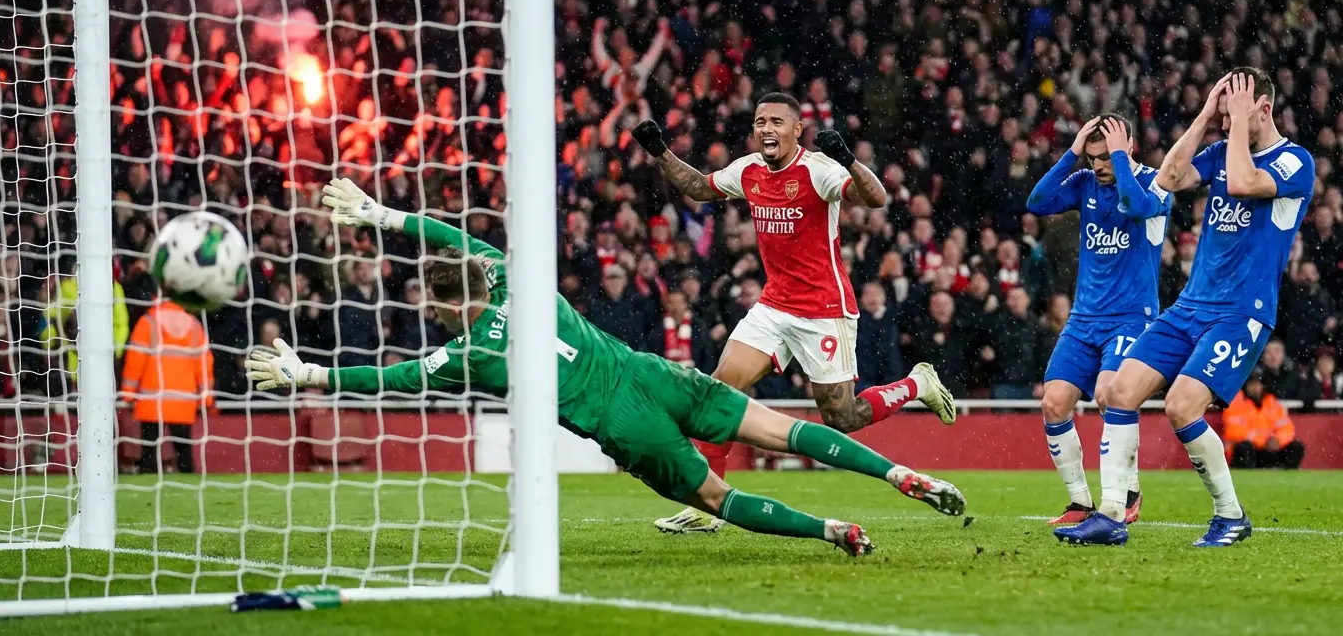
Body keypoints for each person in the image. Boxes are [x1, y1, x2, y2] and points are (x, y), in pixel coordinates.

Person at [247, 179, 967, 557]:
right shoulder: (510, 278)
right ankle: (904, 475)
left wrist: (309, 376)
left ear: (440, 309)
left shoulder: (469, 352)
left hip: (624, 424)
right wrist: (382, 216)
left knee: (717, 498)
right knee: (785, 428)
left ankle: (831, 531)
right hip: (653, 374)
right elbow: (460, 239)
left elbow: (392, 379)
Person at [631, 92, 956, 533]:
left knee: (843, 418)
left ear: (796, 130)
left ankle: (917, 383)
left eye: (777, 122)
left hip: (825, 309)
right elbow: (698, 187)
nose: (767, 129)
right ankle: (705, 506)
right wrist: (659, 151)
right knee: (717, 392)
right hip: (773, 305)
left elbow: (876, 198)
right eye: (760, 121)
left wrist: (848, 159)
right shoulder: (748, 169)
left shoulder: (819, 170)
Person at [1057, 69, 1314, 548]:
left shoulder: (1295, 162)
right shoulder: (1218, 151)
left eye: (1239, 108)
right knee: (1118, 392)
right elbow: (1170, 178)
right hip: (1190, 305)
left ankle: (1230, 515)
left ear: (1263, 109)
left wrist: (1236, 122)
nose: (1228, 117)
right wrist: (1204, 115)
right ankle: (1112, 515)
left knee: (1180, 407)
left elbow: (1241, 183)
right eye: (1225, 108)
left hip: (1241, 313)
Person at [1026, 114, 1170, 525]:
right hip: (1084, 318)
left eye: (1107, 157)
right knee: (1053, 404)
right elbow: (1038, 201)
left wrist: (1121, 161)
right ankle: (1080, 503)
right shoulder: (1086, 181)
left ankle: (1128, 491)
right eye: (1093, 158)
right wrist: (1071, 154)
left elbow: (1135, 205)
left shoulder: (1155, 183)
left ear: (1128, 149)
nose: (1100, 166)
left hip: (1130, 317)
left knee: (1110, 395)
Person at [121, 297, 214, 474]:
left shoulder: (148, 321)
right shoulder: (193, 324)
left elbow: (135, 360)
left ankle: (148, 488)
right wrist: (206, 398)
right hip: (183, 401)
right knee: (184, 454)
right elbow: (204, 364)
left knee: (149, 454)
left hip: (152, 399)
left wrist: (128, 395)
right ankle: (188, 484)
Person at [1223, 374, 1305, 469]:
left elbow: (1287, 428)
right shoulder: (1235, 403)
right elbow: (1234, 432)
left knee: (1297, 446)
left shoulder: (1272, 403)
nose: (1255, 388)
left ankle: (1285, 473)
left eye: (1258, 384)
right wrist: (1263, 440)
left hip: (1270, 449)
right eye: (1252, 384)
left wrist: (1278, 440)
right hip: (1250, 450)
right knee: (1244, 447)